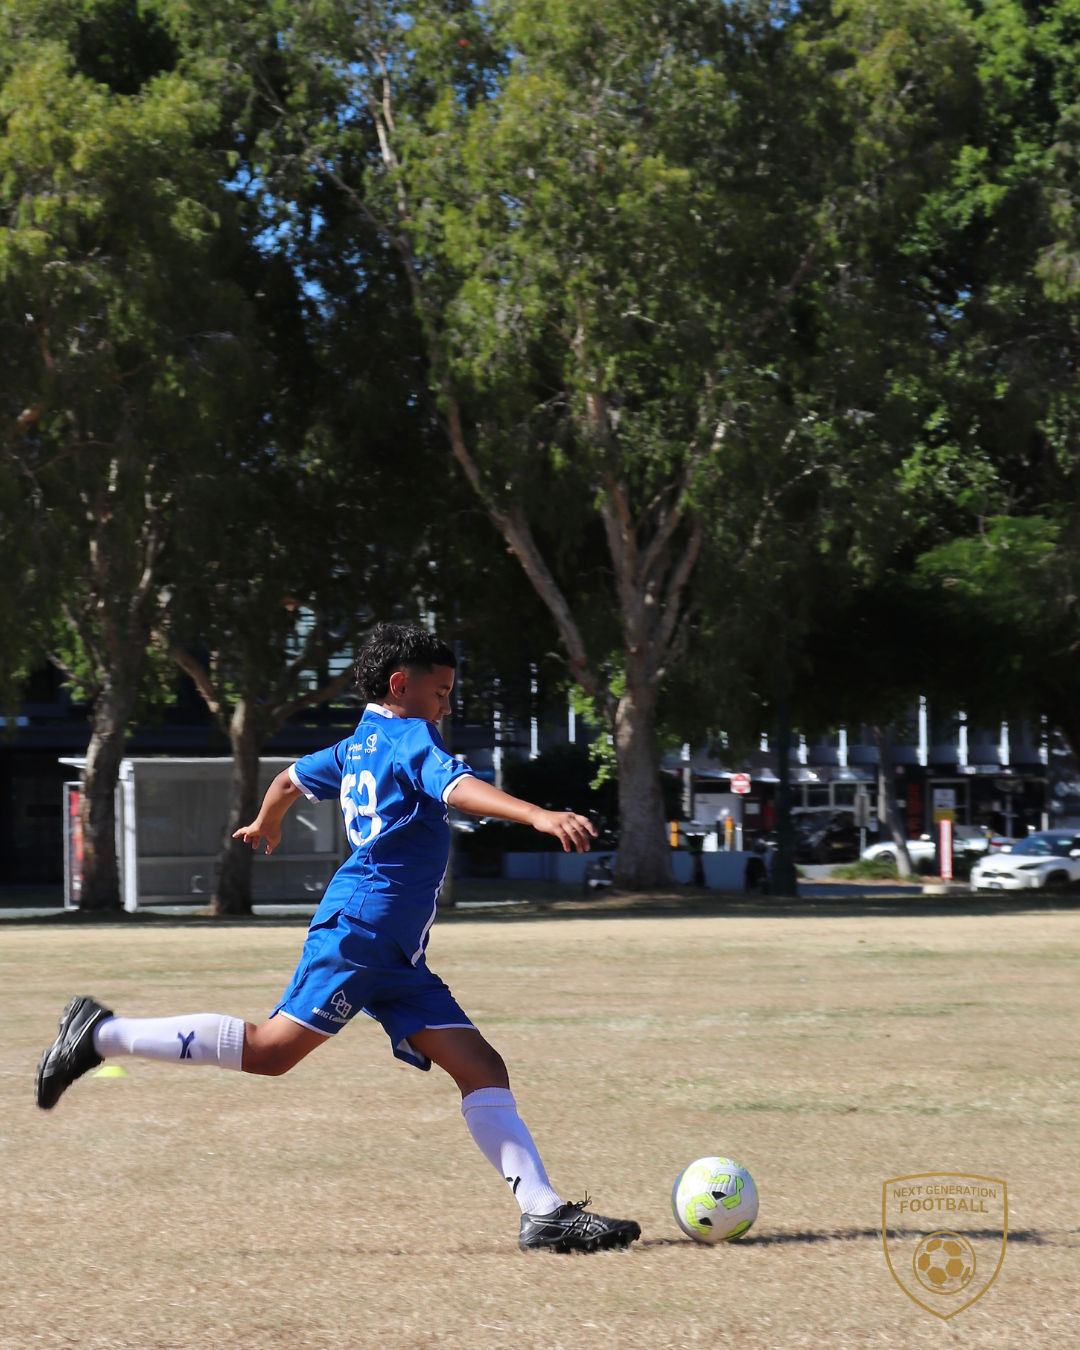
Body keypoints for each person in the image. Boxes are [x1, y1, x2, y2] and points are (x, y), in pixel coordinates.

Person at [35, 623, 640, 1254]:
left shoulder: (357, 746)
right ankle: (100, 1034)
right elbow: (458, 790)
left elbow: (289, 781)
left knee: (481, 1065)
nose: (446, 704)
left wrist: (266, 821)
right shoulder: (411, 737)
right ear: (401, 684)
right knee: (271, 1050)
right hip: (361, 931)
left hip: (396, 955)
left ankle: (542, 1213)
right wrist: (539, 814)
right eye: (441, 691)